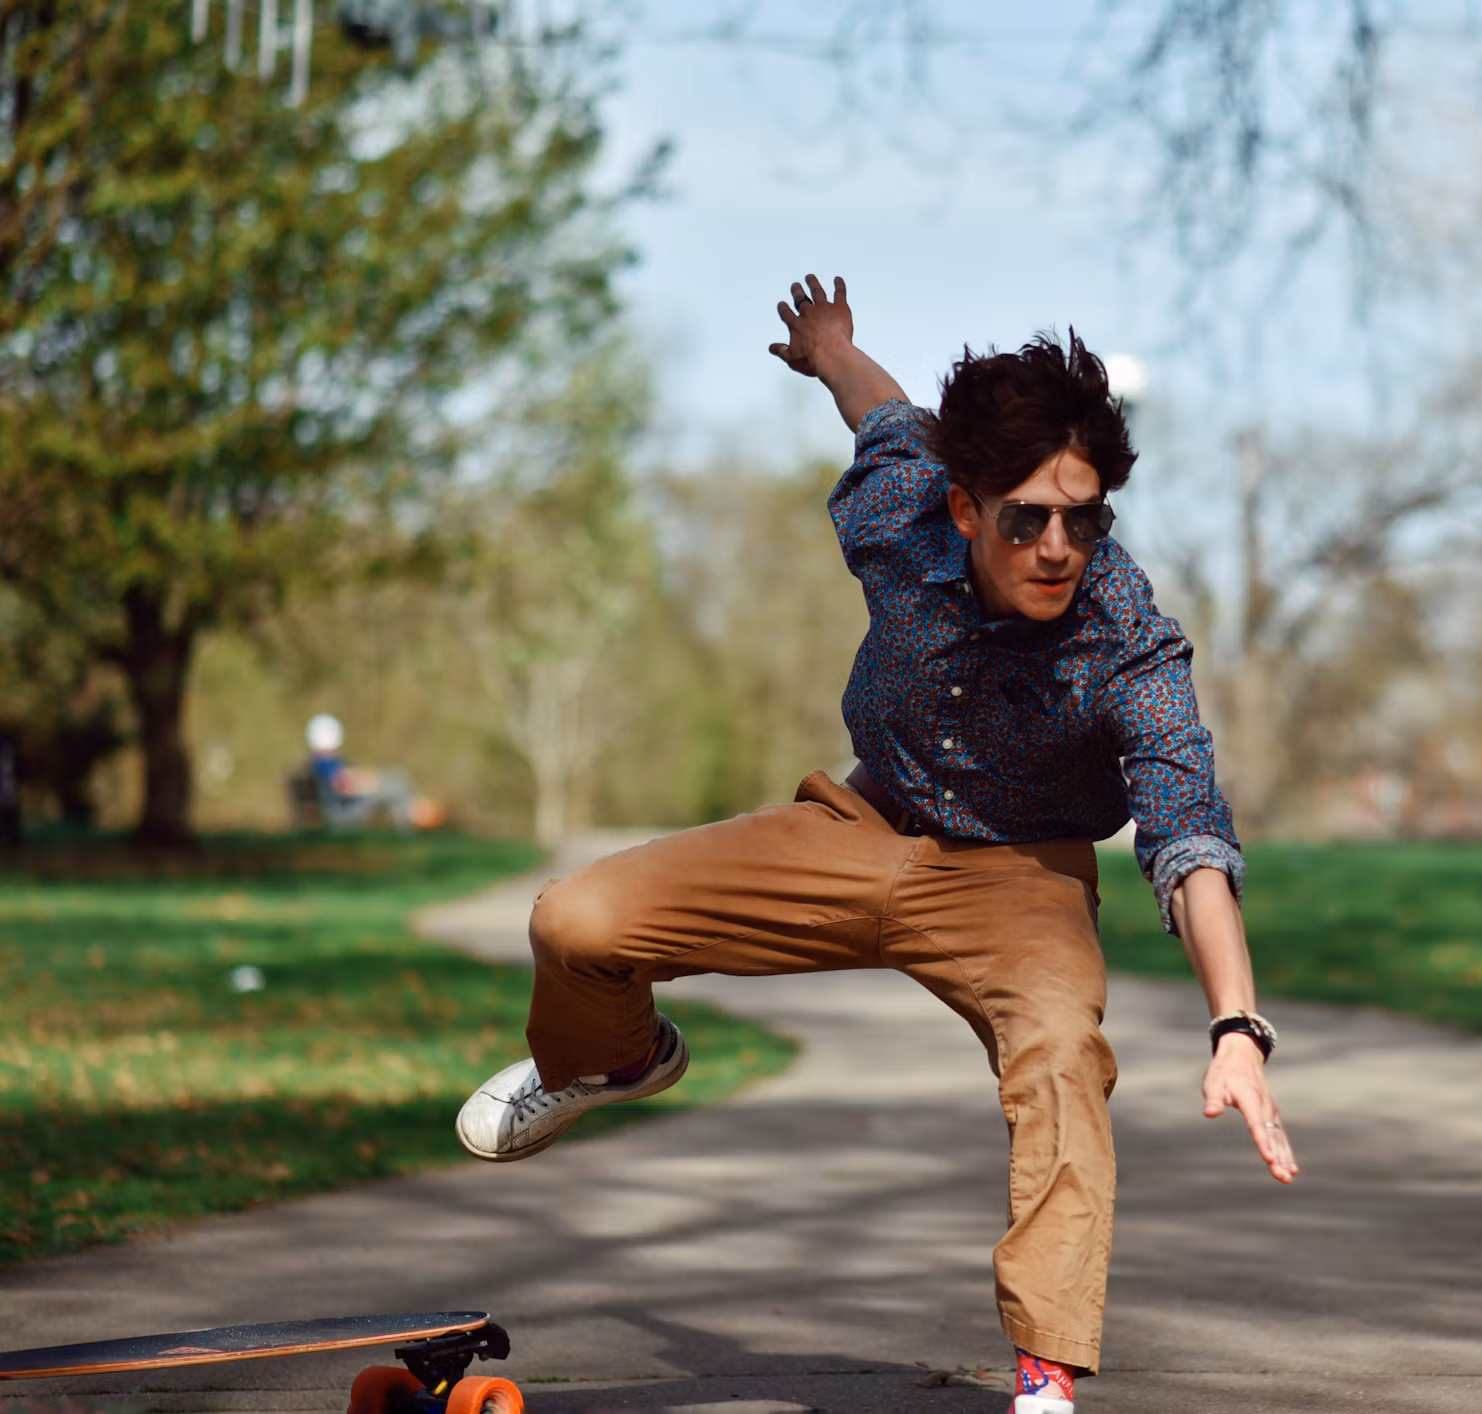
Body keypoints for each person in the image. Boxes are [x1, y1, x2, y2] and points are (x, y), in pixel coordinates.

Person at [455, 275, 1298, 1414]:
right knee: (576, 919)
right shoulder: (902, 512)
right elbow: (885, 412)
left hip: (1016, 880)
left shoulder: (1127, 640)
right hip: (856, 826)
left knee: (1059, 1052)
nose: (1058, 549)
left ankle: (1045, 1372)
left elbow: (1189, 835)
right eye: (1026, 519)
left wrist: (1235, 1024)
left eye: (1083, 517)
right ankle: (613, 1059)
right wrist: (831, 351)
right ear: (964, 509)